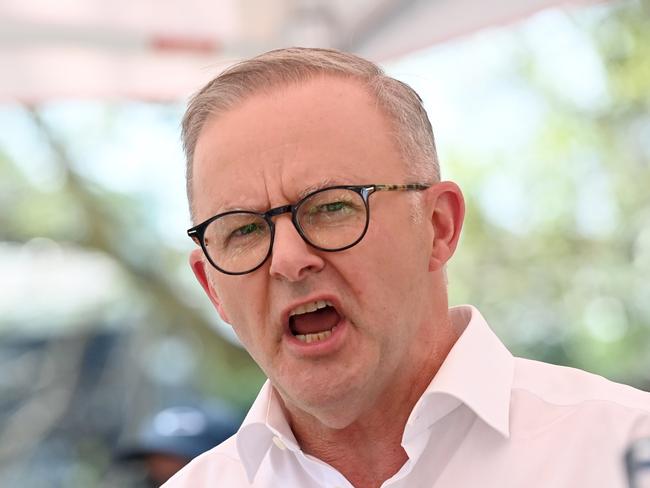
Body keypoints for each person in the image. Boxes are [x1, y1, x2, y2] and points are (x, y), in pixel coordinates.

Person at [164, 47, 650, 487]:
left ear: (438, 227)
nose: (289, 261)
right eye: (243, 230)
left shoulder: (618, 447)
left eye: (332, 207)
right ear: (212, 287)